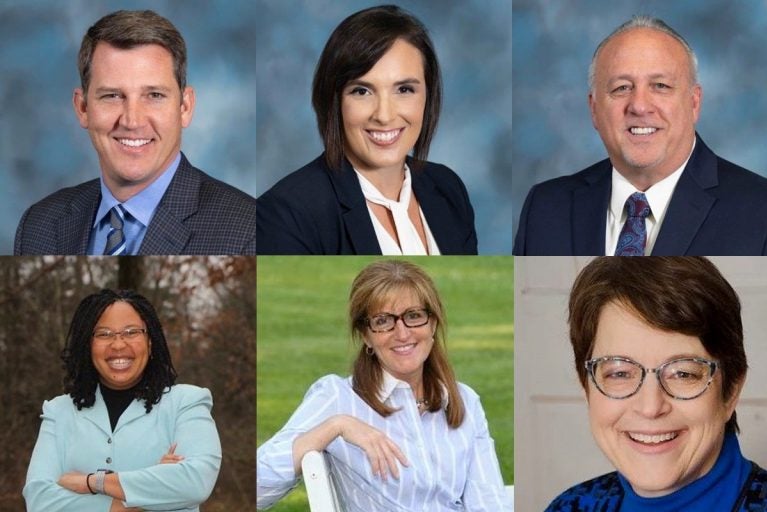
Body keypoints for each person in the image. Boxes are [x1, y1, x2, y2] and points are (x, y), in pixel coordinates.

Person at [257, 260, 510, 511]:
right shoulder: (337, 398)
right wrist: (336, 425)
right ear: (366, 334)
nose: (402, 333)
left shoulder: (464, 400)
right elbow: (256, 488)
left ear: (433, 323)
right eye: (382, 321)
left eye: (414, 316)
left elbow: (488, 503)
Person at [513, 16, 767, 256]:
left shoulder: (760, 209)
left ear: (694, 103)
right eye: (621, 88)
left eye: (660, 86)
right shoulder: (545, 207)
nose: (639, 106)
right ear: (594, 109)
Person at [14, 10, 256, 255]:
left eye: (154, 95)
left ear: (185, 107)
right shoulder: (38, 226)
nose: (132, 121)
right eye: (112, 96)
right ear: (83, 108)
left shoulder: (249, 231)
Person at [546, 257, 767, 511]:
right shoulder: (568, 506)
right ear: (587, 388)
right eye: (619, 373)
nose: (650, 407)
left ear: (731, 392)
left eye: (683, 373)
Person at [256, 5, 477, 255]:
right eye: (362, 91)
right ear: (334, 100)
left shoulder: (448, 188)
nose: (384, 115)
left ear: (428, 95)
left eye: (404, 89)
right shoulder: (287, 214)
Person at [23, 289, 221, 511]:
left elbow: (195, 482)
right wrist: (135, 499)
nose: (118, 345)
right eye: (104, 334)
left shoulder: (187, 402)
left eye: (131, 332)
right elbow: (39, 500)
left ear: (150, 342)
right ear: (87, 345)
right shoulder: (59, 411)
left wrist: (91, 482)